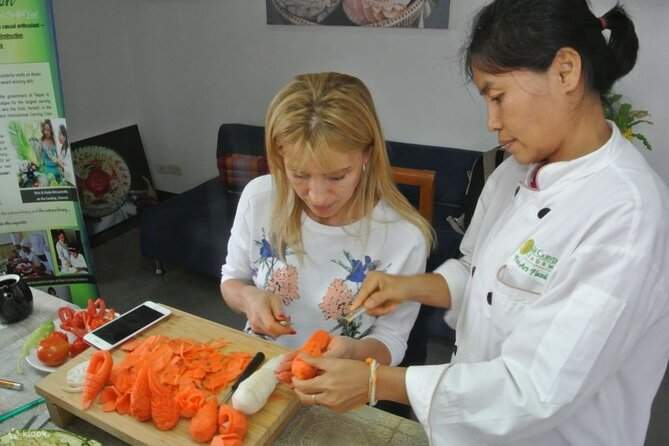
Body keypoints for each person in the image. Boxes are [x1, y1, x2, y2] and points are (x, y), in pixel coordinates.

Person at [290, 2, 669, 445]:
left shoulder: (626, 213)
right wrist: (407, 286)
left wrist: (378, 381)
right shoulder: (512, 174)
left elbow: (536, 389)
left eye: (497, 96)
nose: (492, 122)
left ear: (565, 71)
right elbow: (478, 273)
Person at [220, 72, 433, 370]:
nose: (318, 197)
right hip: (260, 363)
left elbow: (392, 340)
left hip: (342, 380)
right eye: (299, 175)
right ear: (279, 157)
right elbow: (232, 279)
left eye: (337, 177)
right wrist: (249, 298)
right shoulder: (259, 198)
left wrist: (353, 352)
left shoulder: (405, 237)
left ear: (367, 154)